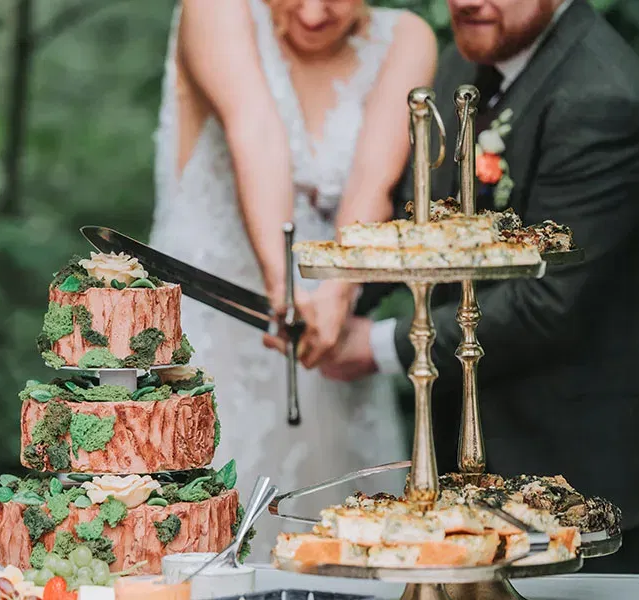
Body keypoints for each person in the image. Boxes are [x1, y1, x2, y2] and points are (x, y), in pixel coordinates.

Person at [312, 0, 639, 574]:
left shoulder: (603, 98)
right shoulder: (466, 58)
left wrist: (380, 345)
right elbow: (429, 222)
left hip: (578, 469)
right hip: (464, 464)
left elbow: (550, 301)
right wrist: (337, 302)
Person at [148, 0, 436, 560]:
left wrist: (336, 292)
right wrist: (284, 288)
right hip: (207, 340)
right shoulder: (216, 10)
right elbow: (256, 133)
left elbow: (372, 179)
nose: (313, 12)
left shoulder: (408, 39)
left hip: (331, 341)